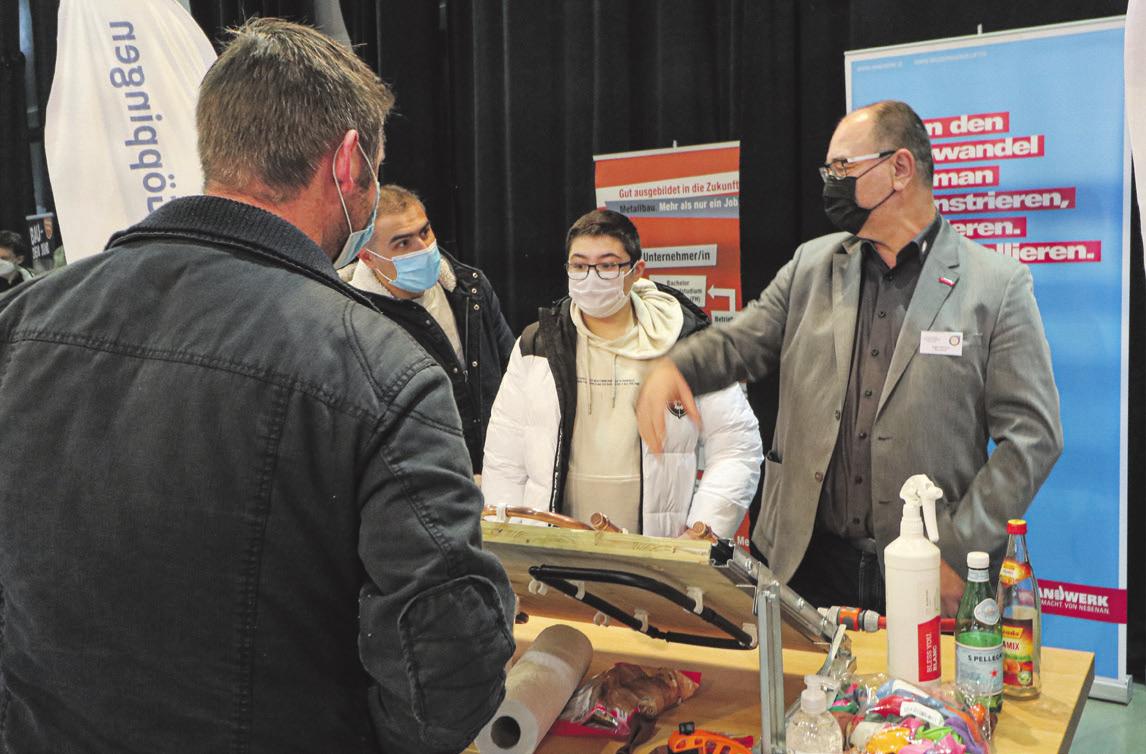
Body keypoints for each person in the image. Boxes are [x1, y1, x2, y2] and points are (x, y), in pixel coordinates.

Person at [0, 18, 514, 753]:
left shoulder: (20, 321)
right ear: (346, 163)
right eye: (372, 173)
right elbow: (446, 675)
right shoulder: (380, 368)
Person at [637, 100, 1063, 616]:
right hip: (803, 560)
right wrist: (675, 367)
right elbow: (739, 342)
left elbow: (1033, 437)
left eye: (843, 167)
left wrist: (962, 548)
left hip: (928, 563)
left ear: (900, 168)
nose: (830, 182)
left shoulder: (994, 286)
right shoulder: (812, 265)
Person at [483, 209, 762, 539]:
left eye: (607, 264)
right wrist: (511, 537)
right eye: (580, 264)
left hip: (655, 553)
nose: (591, 276)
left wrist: (704, 530)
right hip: (553, 552)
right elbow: (505, 457)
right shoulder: (537, 345)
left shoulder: (686, 344)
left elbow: (737, 446)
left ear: (636, 271)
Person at [342, 184, 514, 474]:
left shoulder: (471, 288)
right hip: (418, 483)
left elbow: (513, 375)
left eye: (424, 232)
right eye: (403, 243)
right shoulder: (352, 319)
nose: (423, 248)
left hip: (494, 475)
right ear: (367, 257)